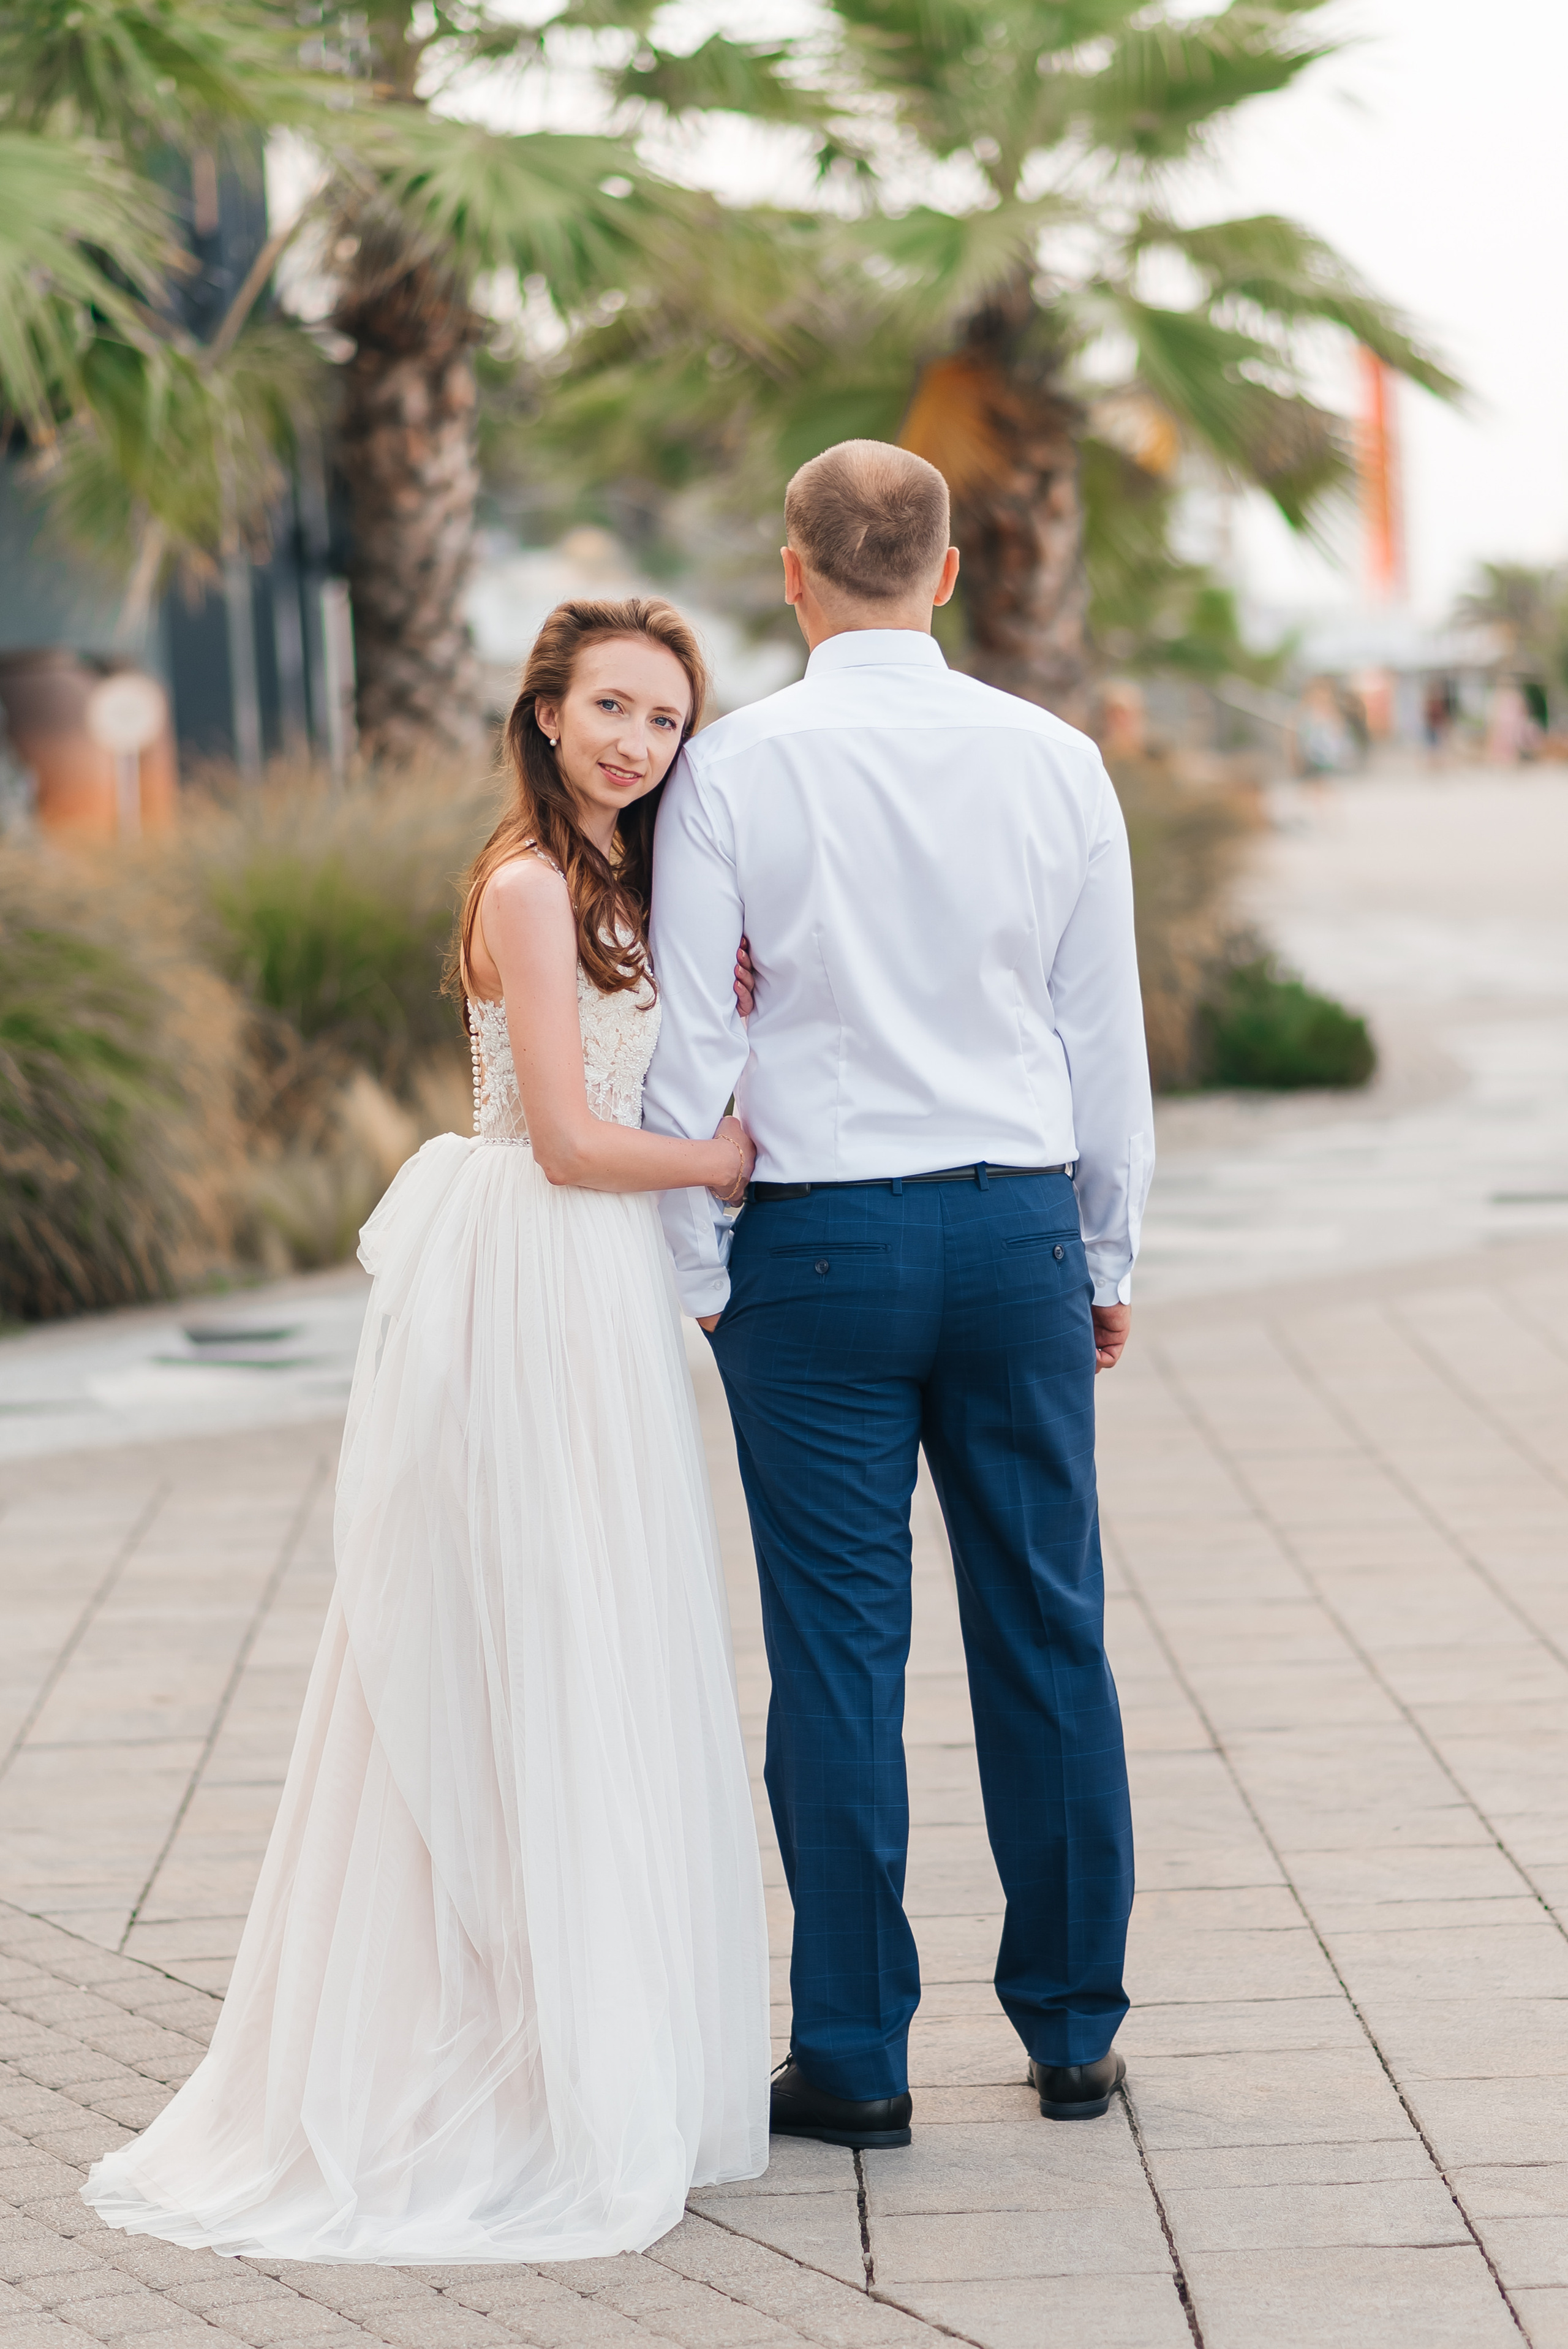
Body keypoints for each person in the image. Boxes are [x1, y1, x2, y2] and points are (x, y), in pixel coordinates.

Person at [82, 598, 771, 2262]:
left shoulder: (627, 883)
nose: (635, 740)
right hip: (539, 1273)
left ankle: (593, 2037)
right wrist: (725, 1157)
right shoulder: (532, 886)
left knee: (603, 1634)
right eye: (609, 705)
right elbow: (566, 1137)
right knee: (529, 1627)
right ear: (541, 713)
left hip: (598, 1298)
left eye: (666, 719)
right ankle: (499, 2047)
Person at [643, 441, 1153, 2150]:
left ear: (793, 573)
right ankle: (1075, 2032)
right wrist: (1106, 1251)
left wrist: (704, 1275)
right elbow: (1104, 1038)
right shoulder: (1058, 759)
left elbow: (696, 1055)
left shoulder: (729, 772)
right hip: (1014, 1235)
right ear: (947, 572)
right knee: (1049, 1628)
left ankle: (856, 2056)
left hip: (814, 1249)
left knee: (838, 1658)